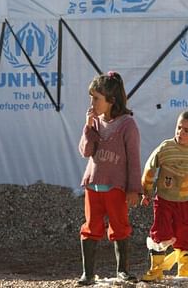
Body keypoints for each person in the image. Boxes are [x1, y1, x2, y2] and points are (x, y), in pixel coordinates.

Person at [77, 71, 142, 285]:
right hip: (93, 186)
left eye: (96, 98)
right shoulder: (94, 123)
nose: (92, 102)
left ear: (111, 101)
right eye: (91, 97)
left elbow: (133, 159)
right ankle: (88, 273)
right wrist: (88, 127)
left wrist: (134, 189)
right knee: (90, 227)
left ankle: (122, 270)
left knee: (120, 226)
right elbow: (86, 151)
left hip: (116, 188)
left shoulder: (127, 125)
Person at [140, 110, 188, 281]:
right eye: (178, 127)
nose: (180, 132)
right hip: (164, 199)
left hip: (187, 199)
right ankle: (156, 270)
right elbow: (149, 169)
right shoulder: (166, 148)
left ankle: (185, 268)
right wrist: (147, 191)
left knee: (186, 231)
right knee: (160, 231)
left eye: (186, 130)